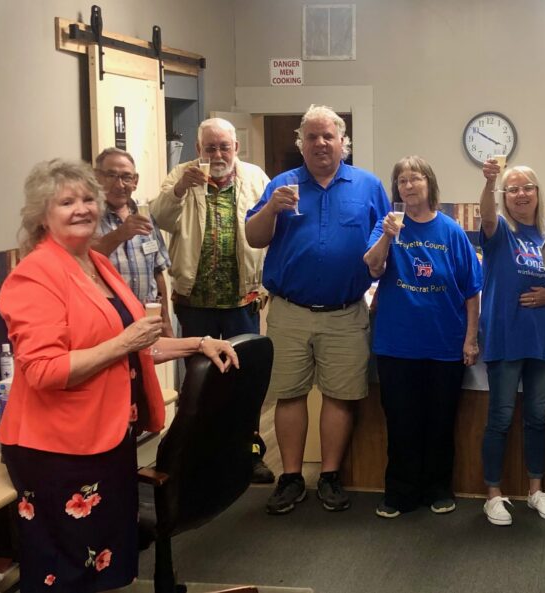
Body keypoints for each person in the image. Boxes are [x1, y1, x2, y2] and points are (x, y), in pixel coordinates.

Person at [0, 159, 239, 593]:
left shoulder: (94, 263)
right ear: (41, 215)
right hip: (60, 448)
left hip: (107, 436)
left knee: (100, 564)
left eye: (88, 198)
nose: (82, 208)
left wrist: (196, 343)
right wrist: (126, 342)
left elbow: (134, 348)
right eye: (66, 202)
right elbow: (44, 370)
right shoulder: (34, 275)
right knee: (66, 571)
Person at [246, 104, 390, 514]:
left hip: (346, 313)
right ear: (301, 144)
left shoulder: (368, 186)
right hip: (290, 311)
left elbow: (385, 241)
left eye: (328, 136)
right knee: (289, 394)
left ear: (344, 143)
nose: (320, 143)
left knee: (340, 396)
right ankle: (291, 477)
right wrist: (272, 208)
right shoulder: (282, 184)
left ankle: (329, 476)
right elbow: (254, 238)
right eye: (311, 137)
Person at [151, 118, 275, 484]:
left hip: (242, 301)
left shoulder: (256, 179)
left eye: (224, 146)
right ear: (198, 150)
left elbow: (270, 227)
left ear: (236, 148)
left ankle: (248, 454)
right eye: (210, 148)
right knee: (198, 382)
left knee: (244, 380)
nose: (218, 154)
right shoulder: (180, 176)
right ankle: (199, 456)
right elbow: (158, 217)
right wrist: (178, 191)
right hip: (195, 301)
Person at [364, 156, 482, 518]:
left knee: (440, 422)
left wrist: (470, 339)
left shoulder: (451, 231)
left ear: (429, 184)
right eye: (401, 181)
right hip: (397, 343)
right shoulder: (388, 226)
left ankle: (438, 488)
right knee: (400, 421)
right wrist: (387, 235)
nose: (409, 186)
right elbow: (372, 265)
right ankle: (400, 492)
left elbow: (472, 290)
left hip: (444, 343)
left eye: (415, 179)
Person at [477, 161, 545, 526]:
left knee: (538, 417)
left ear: (537, 193)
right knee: (500, 418)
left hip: (542, 339)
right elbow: (486, 214)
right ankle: (493, 495)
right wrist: (489, 182)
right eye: (512, 189)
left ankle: (536, 491)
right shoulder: (500, 229)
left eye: (527, 187)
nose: (520, 194)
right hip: (504, 336)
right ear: (505, 196)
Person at [92, 147, 173, 337]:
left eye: (126, 177)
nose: (120, 184)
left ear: (135, 181)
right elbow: (87, 261)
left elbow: (158, 271)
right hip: (110, 320)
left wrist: (166, 320)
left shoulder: (144, 214)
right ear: (97, 177)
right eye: (111, 176)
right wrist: (120, 234)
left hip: (146, 317)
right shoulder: (89, 216)